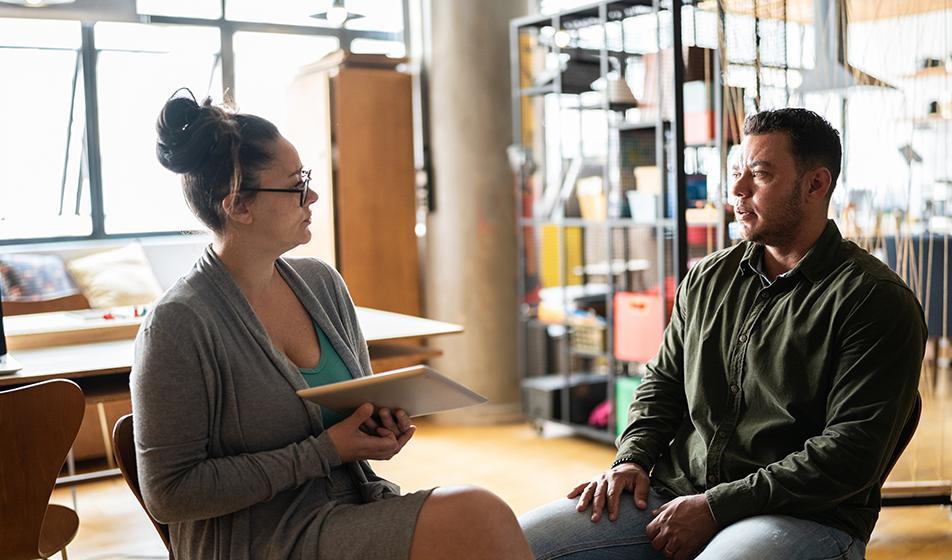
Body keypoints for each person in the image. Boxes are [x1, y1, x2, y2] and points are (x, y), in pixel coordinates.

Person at [131, 90, 533, 560]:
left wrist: (376, 427)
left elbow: (352, 415)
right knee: (475, 515)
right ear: (239, 206)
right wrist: (325, 451)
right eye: (296, 183)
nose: (313, 195)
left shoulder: (321, 283)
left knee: (475, 520)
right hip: (258, 540)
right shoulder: (177, 325)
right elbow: (170, 493)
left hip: (349, 510)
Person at [519, 107, 926, 560]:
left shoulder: (874, 299)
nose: (737, 190)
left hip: (805, 515)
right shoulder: (708, 277)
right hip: (677, 492)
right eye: (737, 172)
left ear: (816, 184)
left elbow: (850, 453)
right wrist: (632, 458)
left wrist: (716, 507)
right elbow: (662, 384)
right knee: (513, 543)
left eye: (760, 175)